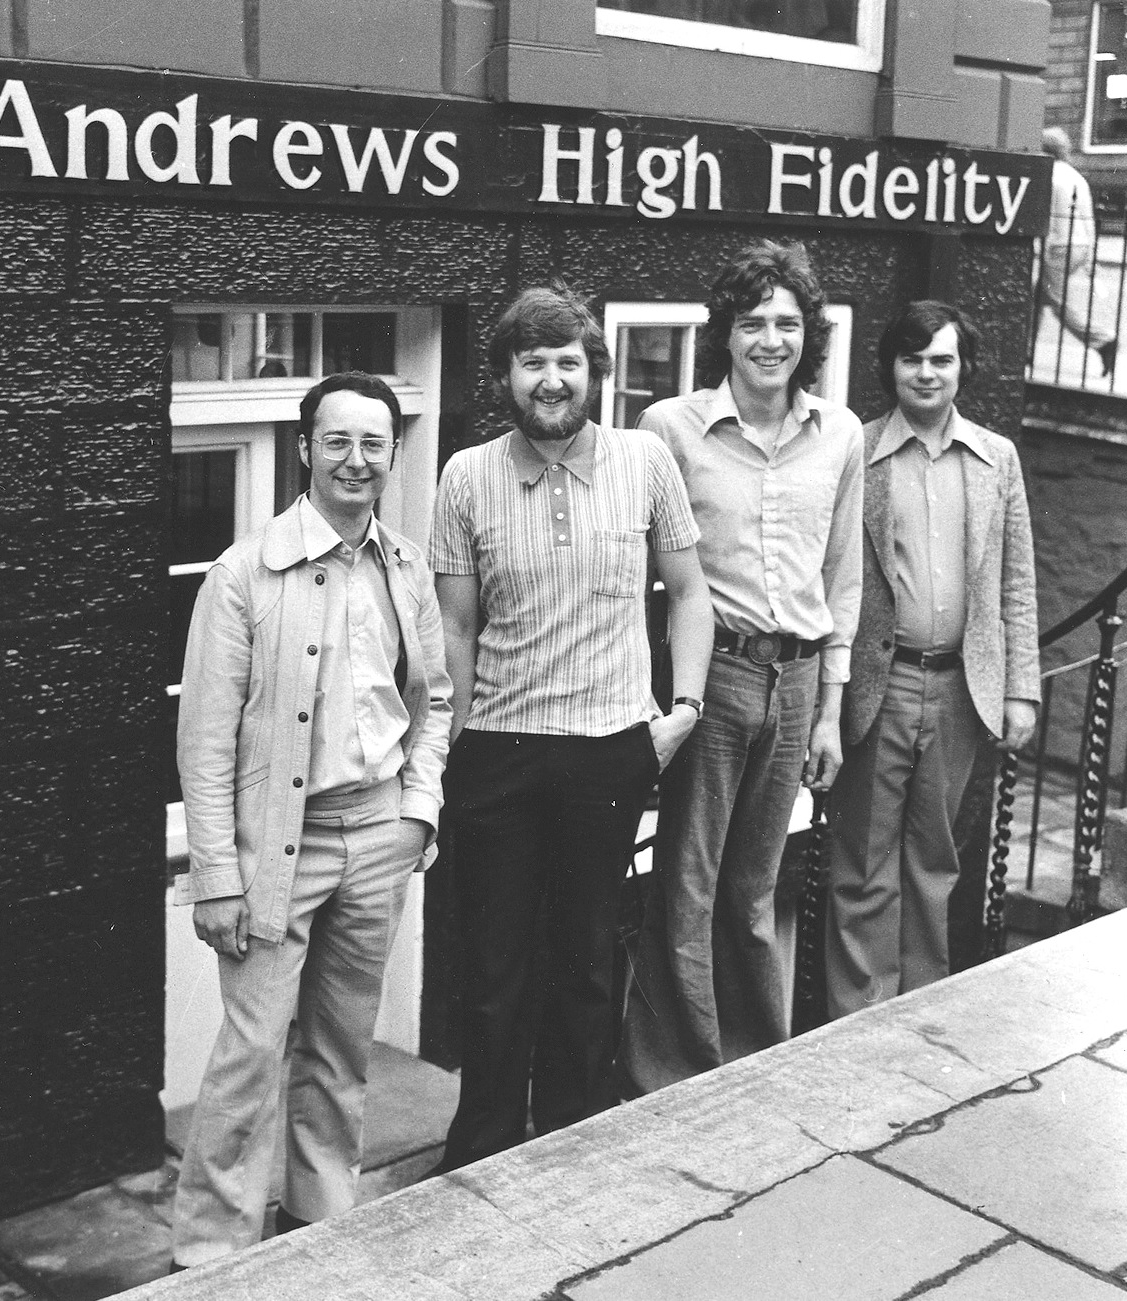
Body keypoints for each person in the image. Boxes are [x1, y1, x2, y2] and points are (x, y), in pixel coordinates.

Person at [170, 371, 452, 1268]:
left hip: (377, 835)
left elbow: (433, 701)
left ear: (393, 454)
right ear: (304, 448)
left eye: (373, 443)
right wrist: (215, 872)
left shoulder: (405, 567)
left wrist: (418, 808)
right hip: (274, 849)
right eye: (337, 440)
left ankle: (322, 1226)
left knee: (339, 1048)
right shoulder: (244, 572)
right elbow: (205, 741)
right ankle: (210, 1254)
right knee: (251, 1056)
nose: (355, 460)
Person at [429, 285, 713, 1168]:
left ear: (594, 369)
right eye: (531, 363)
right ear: (505, 377)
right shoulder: (466, 476)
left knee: (588, 956)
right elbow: (456, 630)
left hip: (608, 748)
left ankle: (570, 1136)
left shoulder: (645, 461)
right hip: (499, 753)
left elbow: (691, 594)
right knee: (496, 962)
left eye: (566, 361)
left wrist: (683, 713)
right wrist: (449, 750)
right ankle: (481, 1142)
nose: (550, 380)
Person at [620, 239, 864, 1096]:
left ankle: (754, 1062)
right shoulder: (669, 429)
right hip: (712, 679)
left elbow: (842, 575)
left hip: (795, 682)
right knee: (684, 880)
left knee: (757, 885)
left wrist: (830, 708)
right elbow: (643, 571)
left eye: (787, 322)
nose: (770, 338)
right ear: (725, 332)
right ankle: (672, 1073)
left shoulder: (838, 434)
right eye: (753, 321)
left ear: (809, 335)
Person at [827, 301, 1040, 1017]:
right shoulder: (855, 451)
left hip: (957, 692)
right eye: (911, 358)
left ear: (962, 369)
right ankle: (856, 1024)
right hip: (876, 686)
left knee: (933, 862)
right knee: (863, 864)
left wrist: (1020, 690)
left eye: (940, 359)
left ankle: (917, 1019)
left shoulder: (995, 458)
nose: (925, 372)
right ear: (889, 366)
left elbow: (1015, 582)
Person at [1039, 127, 1118, 376]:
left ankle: (1102, 340)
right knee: (1036, 298)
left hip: (1059, 246)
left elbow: (1047, 220)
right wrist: (1090, 255)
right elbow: (1088, 218)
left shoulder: (1048, 176)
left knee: (1056, 302)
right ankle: (1024, 349)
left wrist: (1042, 249)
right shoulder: (1076, 176)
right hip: (1080, 245)